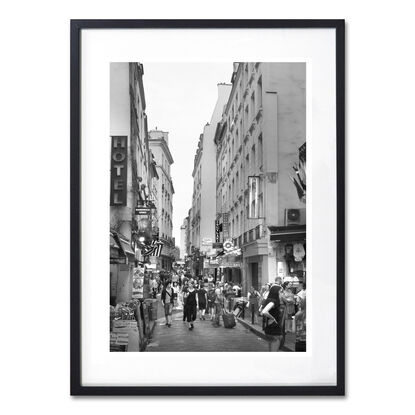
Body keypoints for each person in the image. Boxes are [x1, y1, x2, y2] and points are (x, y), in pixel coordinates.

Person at [260, 285, 285, 351]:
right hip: (274, 329)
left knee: (272, 350)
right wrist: (273, 318)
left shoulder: (269, 300)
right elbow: (264, 311)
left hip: (270, 328)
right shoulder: (273, 301)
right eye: (280, 292)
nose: (281, 293)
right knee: (274, 352)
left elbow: (262, 311)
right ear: (276, 292)